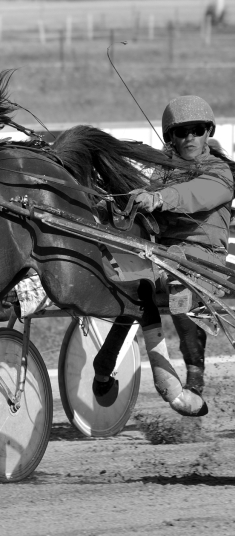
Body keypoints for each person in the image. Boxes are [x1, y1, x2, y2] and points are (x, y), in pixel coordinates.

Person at [98, 95, 233, 414]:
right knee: (126, 279)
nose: (189, 138)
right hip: (162, 257)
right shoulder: (161, 175)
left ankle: (194, 382)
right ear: (170, 137)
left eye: (197, 130)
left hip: (202, 264)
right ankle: (104, 367)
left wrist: (158, 199)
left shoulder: (221, 173)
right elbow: (149, 215)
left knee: (176, 284)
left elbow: (193, 195)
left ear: (208, 132)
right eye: (181, 131)